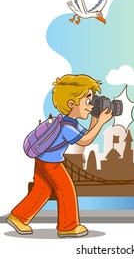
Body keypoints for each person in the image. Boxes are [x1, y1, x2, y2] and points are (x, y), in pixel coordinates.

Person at [6, 74, 112, 237]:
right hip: (51, 163)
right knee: (66, 189)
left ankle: (18, 217)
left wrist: (95, 120)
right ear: (72, 104)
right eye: (87, 102)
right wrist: (101, 123)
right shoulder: (67, 128)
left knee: (42, 191)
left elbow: (87, 135)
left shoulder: (68, 122)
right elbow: (85, 141)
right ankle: (68, 226)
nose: (90, 106)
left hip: (42, 159)